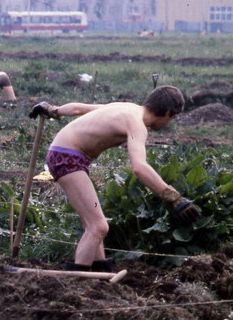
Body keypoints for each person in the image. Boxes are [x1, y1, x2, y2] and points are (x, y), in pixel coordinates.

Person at [29, 86, 200, 272]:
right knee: (98, 226)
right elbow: (140, 167)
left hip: (64, 155)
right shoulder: (137, 124)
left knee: (93, 224)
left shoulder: (126, 107)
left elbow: (78, 109)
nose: (169, 122)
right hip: (68, 158)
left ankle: (100, 271)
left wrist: (53, 110)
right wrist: (173, 197)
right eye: (172, 118)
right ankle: (75, 281)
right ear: (167, 112)